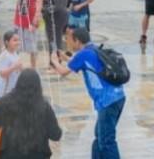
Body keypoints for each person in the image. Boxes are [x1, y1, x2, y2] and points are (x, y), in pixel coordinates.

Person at [51, 27, 127, 159]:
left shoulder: (83, 54)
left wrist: (54, 61)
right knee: (99, 136)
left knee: (107, 142)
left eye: (70, 40)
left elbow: (63, 72)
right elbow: (81, 63)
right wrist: (64, 57)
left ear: (78, 41)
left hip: (107, 101)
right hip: (118, 96)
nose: (69, 43)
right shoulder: (94, 49)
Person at [0, 68, 62, 158]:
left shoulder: (5, 102)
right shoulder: (44, 106)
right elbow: (56, 135)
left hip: (9, 155)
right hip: (38, 155)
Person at [0, 31, 24, 98]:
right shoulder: (4, 56)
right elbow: (2, 74)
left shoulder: (15, 54)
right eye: (15, 40)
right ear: (7, 42)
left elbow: (19, 70)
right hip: (5, 91)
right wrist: (14, 67)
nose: (18, 42)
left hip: (14, 89)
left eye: (18, 40)